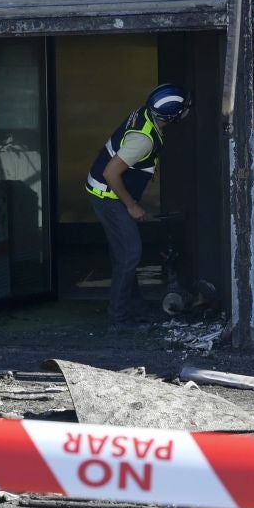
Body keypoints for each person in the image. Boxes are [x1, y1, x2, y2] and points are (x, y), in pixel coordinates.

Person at [85, 83, 190, 326]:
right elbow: (112, 173)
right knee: (130, 254)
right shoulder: (143, 140)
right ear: (172, 116)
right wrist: (131, 206)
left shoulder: (145, 114)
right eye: (183, 109)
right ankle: (119, 317)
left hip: (106, 191)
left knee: (123, 253)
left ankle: (135, 307)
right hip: (107, 196)